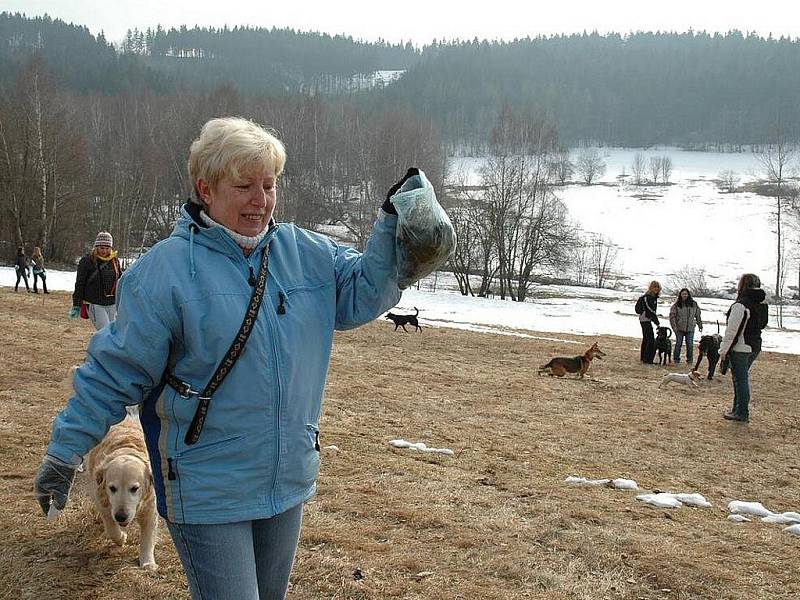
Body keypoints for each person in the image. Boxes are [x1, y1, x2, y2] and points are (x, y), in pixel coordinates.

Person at [34, 117, 446, 599]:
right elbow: (114, 373)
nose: (261, 199)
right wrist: (65, 451)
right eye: (245, 185)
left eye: (269, 185)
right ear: (205, 189)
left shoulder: (306, 253)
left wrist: (393, 225)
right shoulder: (164, 272)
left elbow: (362, 294)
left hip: (286, 474)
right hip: (208, 483)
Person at [719, 273, 768, 423]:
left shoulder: (741, 305)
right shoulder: (762, 304)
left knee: (740, 380)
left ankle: (741, 412)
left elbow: (732, 331)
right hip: (754, 346)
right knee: (740, 379)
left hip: (741, 347)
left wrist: (723, 351)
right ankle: (737, 409)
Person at [69, 231, 122, 330]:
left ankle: (101, 346)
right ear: (96, 246)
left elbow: (120, 279)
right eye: (101, 248)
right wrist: (76, 304)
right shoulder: (87, 261)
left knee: (114, 332)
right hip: (95, 303)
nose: (104, 251)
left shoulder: (114, 261)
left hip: (112, 303)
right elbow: (80, 283)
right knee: (105, 332)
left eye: (107, 248)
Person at [669, 288, 702, 364]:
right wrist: (674, 326)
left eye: (686, 294)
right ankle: (676, 359)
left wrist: (700, 325)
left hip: (690, 328)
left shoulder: (694, 304)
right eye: (683, 294)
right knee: (678, 344)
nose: (684, 295)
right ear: (680, 295)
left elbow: (698, 315)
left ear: (688, 295)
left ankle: (689, 360)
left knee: (690, 344)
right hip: (679, 328)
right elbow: (672, 316)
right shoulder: (677, 305)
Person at [636, 280, 661, 364]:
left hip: (646, 319)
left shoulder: (653, 297)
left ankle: (644, 358)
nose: (656, 289)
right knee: (650, 340)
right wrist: (657, 322)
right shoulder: (648, 297)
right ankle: (647, 360)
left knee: (646, 339)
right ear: (651, 288)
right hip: (645, 319)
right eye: (654, 287)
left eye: (657, 287)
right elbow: (650, 310)